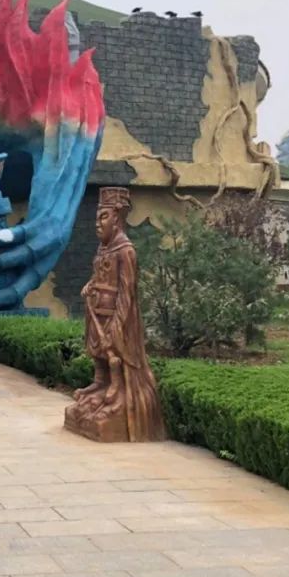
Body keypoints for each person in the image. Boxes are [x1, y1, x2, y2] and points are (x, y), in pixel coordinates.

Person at [67, 187, 165, 442]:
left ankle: (117, 389)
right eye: (97, 217)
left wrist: (118, 323)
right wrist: (90, 285)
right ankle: (100, 383)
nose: (98, 223)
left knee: (115, 351)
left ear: (118, 218)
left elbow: (126, 291)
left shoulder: (125, 250)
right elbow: (100, 274)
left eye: (104, 217)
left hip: (116, 314)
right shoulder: (103, 249)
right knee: (97, 349)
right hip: (97, 309)